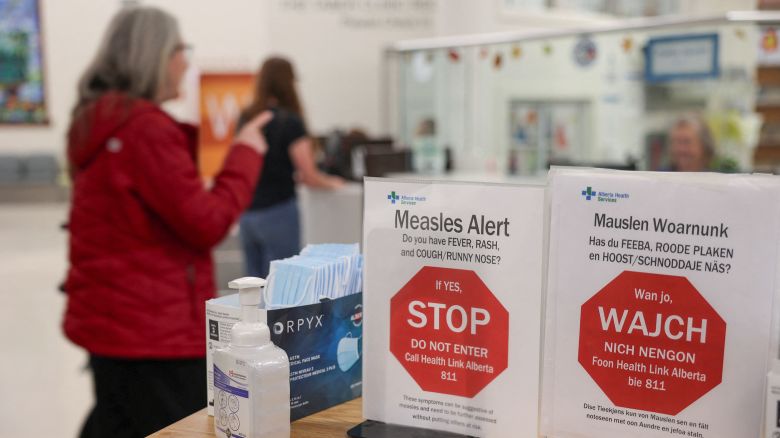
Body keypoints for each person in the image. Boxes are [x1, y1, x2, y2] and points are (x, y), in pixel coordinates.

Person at [62, 7, 273, 437]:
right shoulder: (144, 130)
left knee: (116, 418)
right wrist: (245, 154)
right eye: (180, 50)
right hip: (153, 328)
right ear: (155, 55)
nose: (185, 62)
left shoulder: (100, 122)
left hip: (114, 319)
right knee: (174, 426)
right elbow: (206, 223)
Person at [238, 56, 344, 278]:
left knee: (252, 287)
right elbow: (309, 175)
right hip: (277, 212)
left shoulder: (246, 117)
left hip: (247, 214)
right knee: (283, 284)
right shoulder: (290, 122)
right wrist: (333, 183)